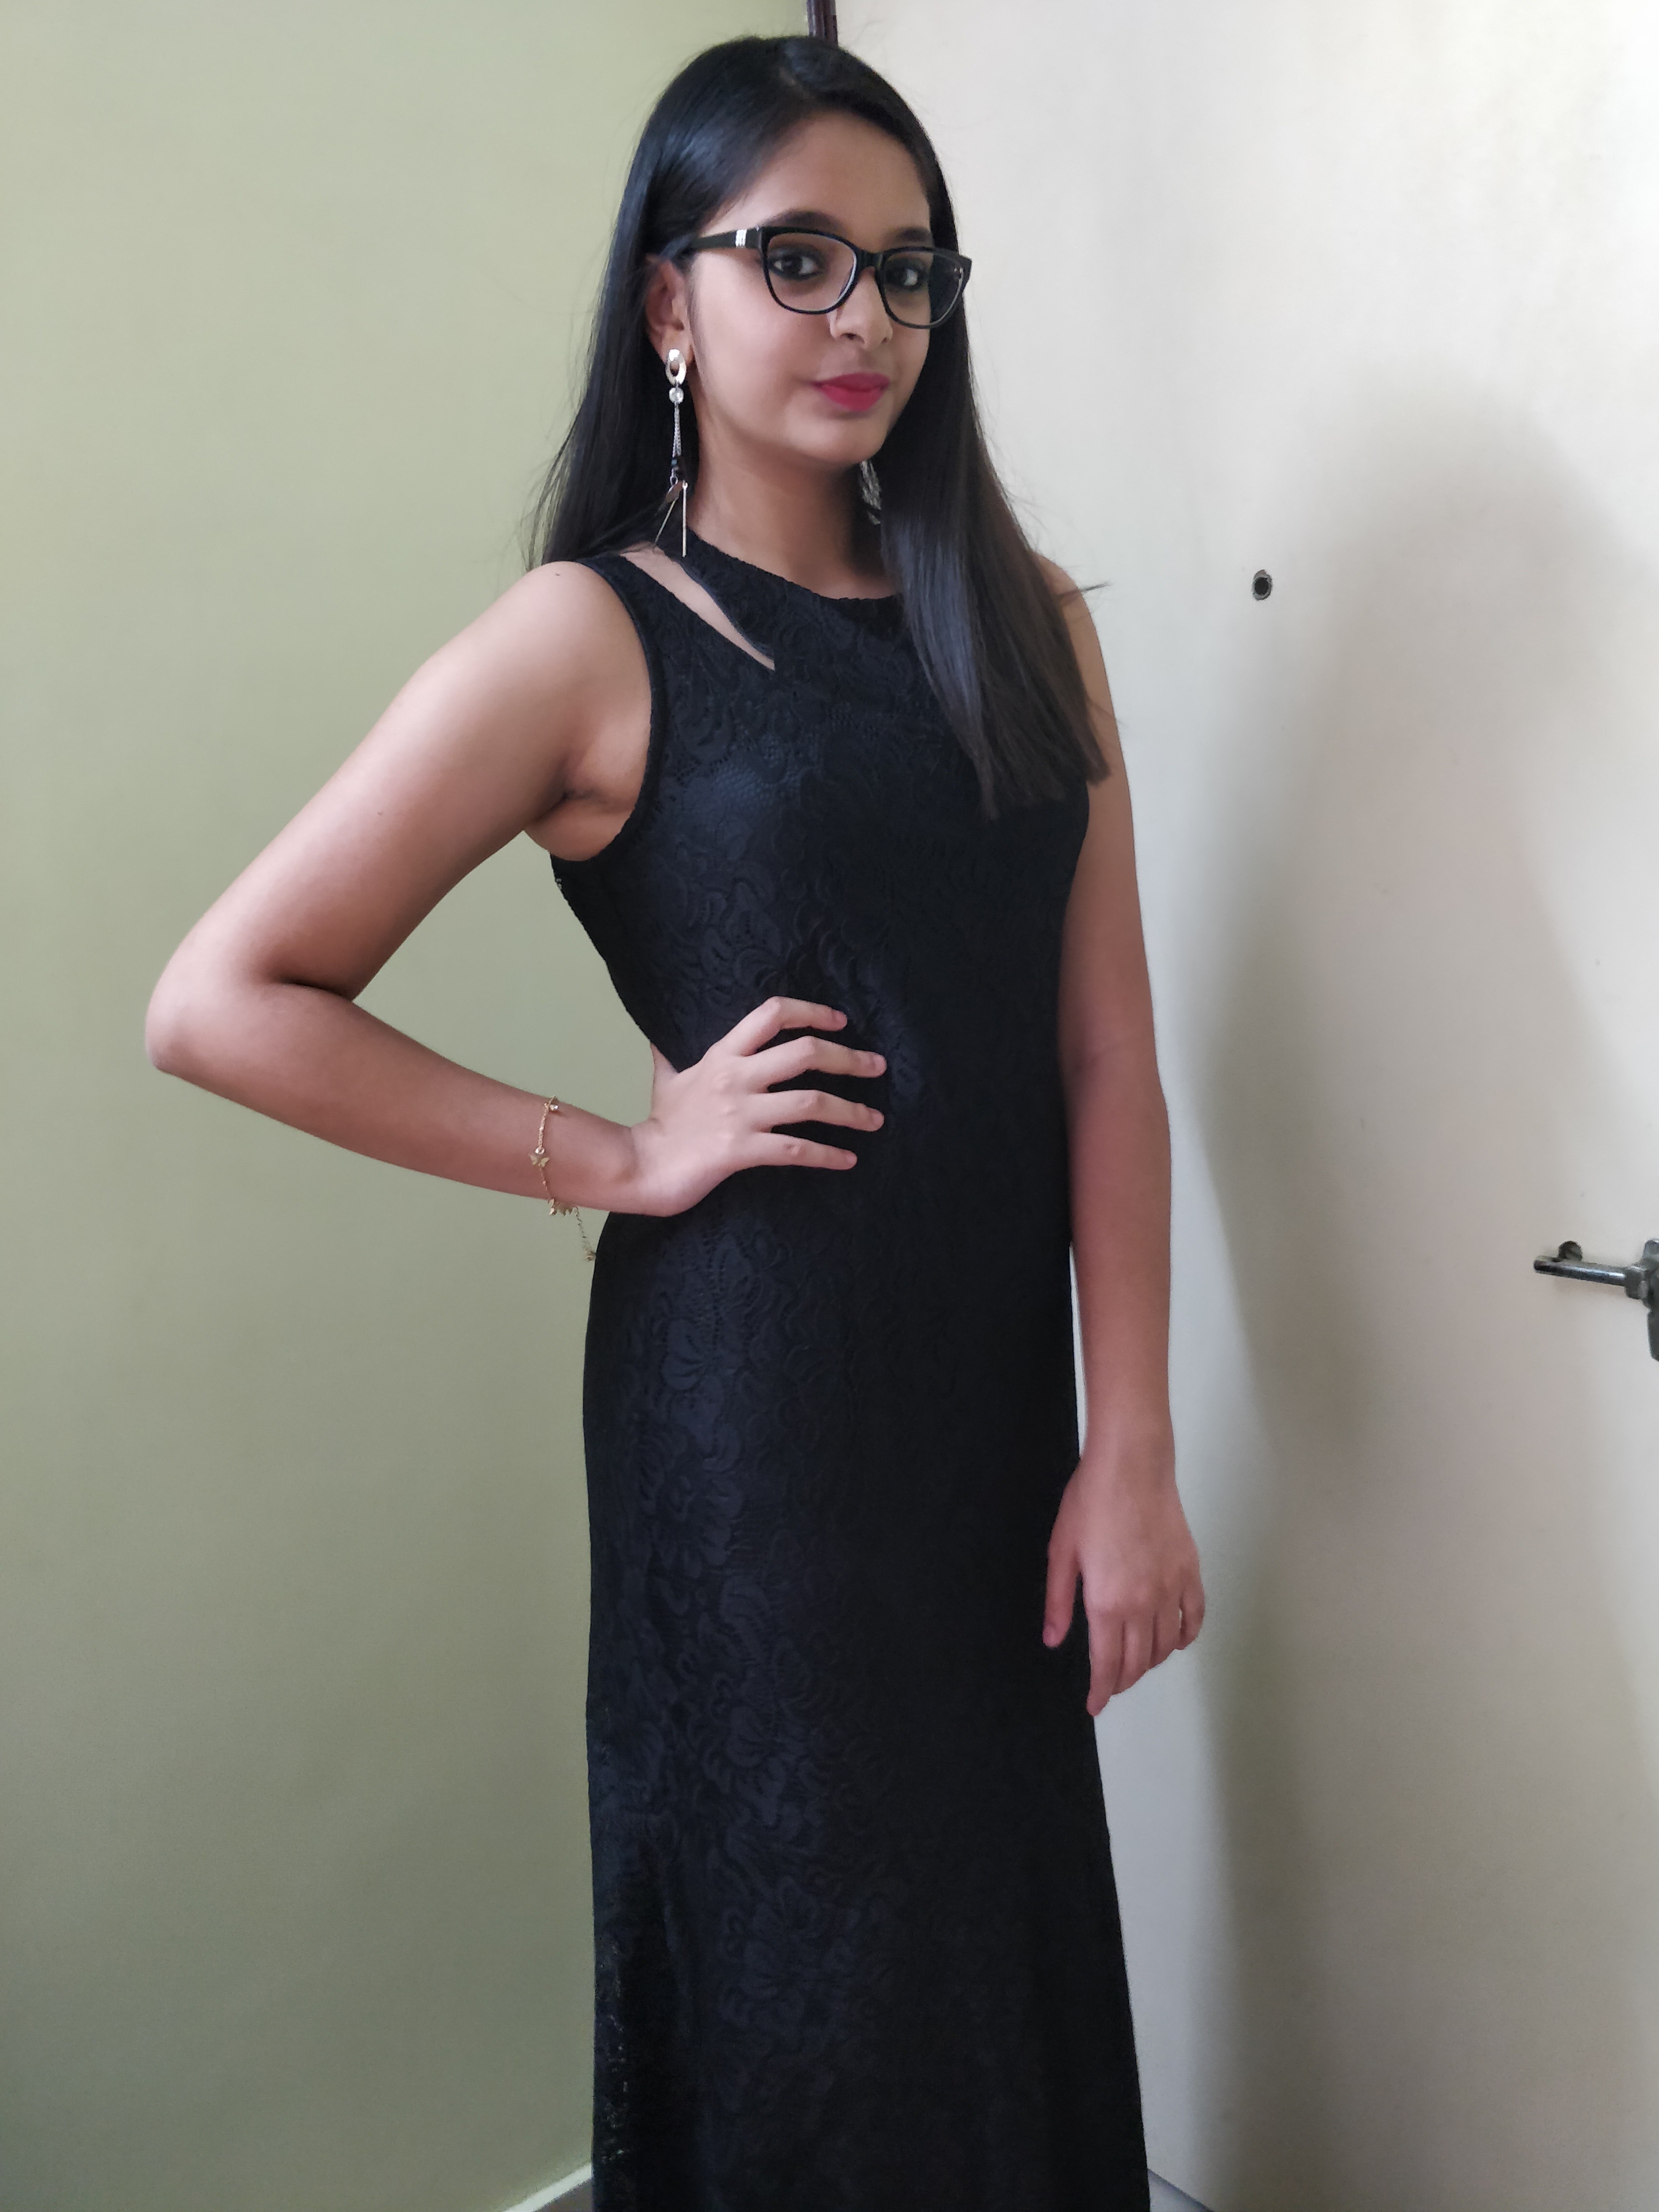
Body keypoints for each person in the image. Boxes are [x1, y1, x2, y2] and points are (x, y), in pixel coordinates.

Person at [146, 32, 1204, 2211]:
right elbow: (221, 999)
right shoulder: (590, 638)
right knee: (813, 1964)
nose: (864, 318)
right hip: (757, 1439)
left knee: (990, 1944)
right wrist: (618, 1156)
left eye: (908, 271)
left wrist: (1135, 1447)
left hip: (993, 1410)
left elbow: (1106, 1055)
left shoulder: (1028, 625)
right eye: (796, 258)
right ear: (668, 301)